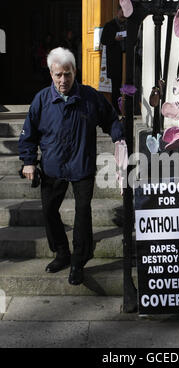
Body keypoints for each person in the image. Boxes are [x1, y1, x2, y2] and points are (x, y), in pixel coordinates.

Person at [18, 47, 124, 285]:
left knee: (82, 213)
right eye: (58, 75)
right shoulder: (42, 100)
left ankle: (79, 260)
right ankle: (62, 253)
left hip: (81, 164)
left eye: (67, 74)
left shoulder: (90, 97)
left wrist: (119, 137)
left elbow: (110, 119)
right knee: (48, 211)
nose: (63, 80)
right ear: (51, 74)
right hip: (53, 165)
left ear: (75, 72)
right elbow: (28, 132)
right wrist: (28, 161)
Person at [100, 6, 127, 114]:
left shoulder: (128, 25)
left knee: (127, 84)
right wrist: (114, 39)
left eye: (125, 12)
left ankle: (127, 109)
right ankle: (116, 110)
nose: (123, 14)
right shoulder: (109, 25)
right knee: (116, 87)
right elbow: (104, 40)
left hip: (126, 60)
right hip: (115, 61)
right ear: (117, 12)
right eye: (122, 11)